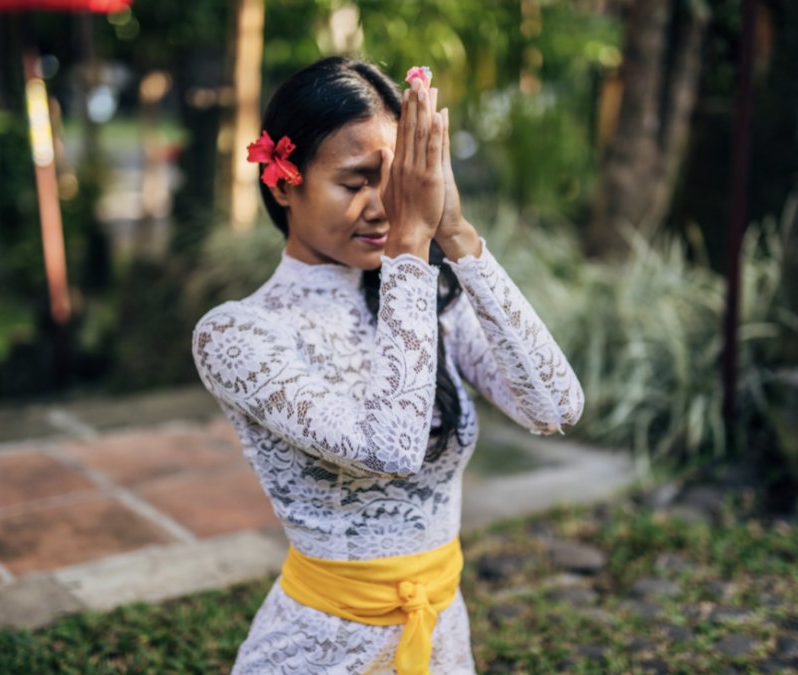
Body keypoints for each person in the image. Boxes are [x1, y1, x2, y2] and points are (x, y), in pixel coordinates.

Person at [191, 55, 584, 675]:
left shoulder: (429, 302)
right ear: (284, 182)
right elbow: (390, 451)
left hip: (441, 634)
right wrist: (409, 249)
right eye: (355, 183)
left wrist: (456, 233)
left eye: (398, 181)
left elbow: (555, 407)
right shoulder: (236, 334)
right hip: (320, 649)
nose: (385, 207)